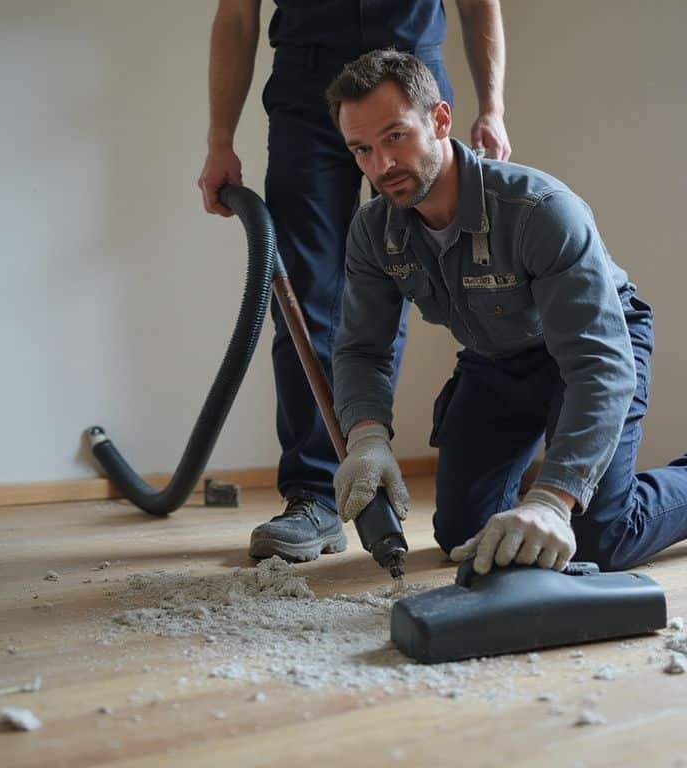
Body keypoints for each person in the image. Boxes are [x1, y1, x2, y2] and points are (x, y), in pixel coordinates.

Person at [326, 50, 687, 575]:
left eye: (395, 137)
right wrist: (366, 438)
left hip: (594, 349)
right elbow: (363, 348)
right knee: (464, 535)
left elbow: (600, 365)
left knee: (598, 535)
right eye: (361, 149)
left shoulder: (539, 211)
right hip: (495, 358)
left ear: (439, 120)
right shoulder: (373, 232)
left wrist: (553, 500)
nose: (380, 166)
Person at [197, 0, 511, 563]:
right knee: (305, 295)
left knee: (395, 279)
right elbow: (237, 16)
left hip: (409, 67)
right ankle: (314, 496)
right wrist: (220, 139)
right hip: (305, 83)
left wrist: (493, 105)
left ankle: (373, 478)